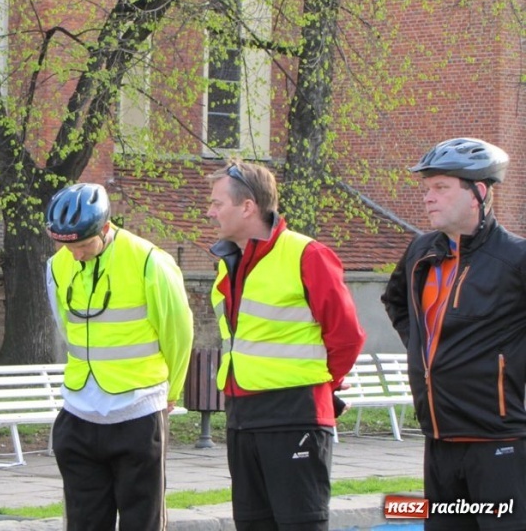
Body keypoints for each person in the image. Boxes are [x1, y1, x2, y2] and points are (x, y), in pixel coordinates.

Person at [206, 159, 366, 531]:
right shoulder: (229, 262)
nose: (210, 212)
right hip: (242, 416)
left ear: (248, 207)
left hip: (294, 414)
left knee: (299, 524)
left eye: (217, 203)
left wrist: (320, 386)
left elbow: (347, 336)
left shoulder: (307, 254)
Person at [381, 137, 526, 531]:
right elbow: (395, 302)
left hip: (499, 441)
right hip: (438, 440)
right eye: (426, 188)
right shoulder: (421, 252)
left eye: (441, 187)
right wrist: (425, 350)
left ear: (479, 192)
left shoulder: (515, 258)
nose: (428, 197)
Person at [44, 182, 194, 531]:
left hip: (137, 410)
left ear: (106, 228)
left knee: (142, 521)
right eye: (66, 246)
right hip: (79, 413)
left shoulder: (150, 262)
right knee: (82, 522)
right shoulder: (55, 267)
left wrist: (172, 390)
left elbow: (179, 333)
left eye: (83, 245)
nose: (75, 255)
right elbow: (67, 329)